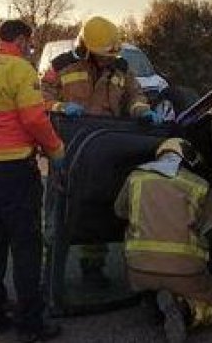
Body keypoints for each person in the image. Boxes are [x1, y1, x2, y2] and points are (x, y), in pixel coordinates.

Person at [0, 19, 65, 342]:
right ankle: (30, 322)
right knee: (26, 246)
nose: (30, 48)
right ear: (20, 40)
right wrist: (56, 149)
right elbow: (34, 118)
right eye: (29, 43)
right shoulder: (20, 70)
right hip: (16, 171)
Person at [41, 15, 159, 286]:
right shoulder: (61, 66)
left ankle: (93, 267)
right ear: (86, 48)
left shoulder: (121, 68)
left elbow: (135, 95)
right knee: (60, 207)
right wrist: (59, 108)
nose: (107, 59)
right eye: (102, 55)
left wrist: (141, 110)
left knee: (98, 205)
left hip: (106, 146)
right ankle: (50, 272)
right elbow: (41, 97)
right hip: (70, 147)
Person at [114, 138, 212, 343]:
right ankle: (185, 310)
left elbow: (119, 212)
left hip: (138, 270)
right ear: (188, 158)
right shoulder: (199, 186)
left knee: (153, 279)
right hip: (185, 271)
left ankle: (155, 298)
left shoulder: (135, 177)